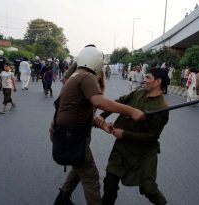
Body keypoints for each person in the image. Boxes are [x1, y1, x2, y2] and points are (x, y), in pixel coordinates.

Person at [51, 45, 144, 205]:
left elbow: (78, 111)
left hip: (67, 132)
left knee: (79, 165)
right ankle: (63, 198)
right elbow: (100, 103)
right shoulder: (87, 77)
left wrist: (102, 125)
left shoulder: (76, 75)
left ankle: (62, 198)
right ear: (96, 63)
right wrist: (132, 111)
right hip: (71, 135)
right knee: (91, 177)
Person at [96, 68, 169, 205]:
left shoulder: (162, 108)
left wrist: (125, 134)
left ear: (158, 81)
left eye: (147, 77)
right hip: (122, 147)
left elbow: (150, 137)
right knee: (109, 183)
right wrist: (102, 115)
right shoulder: (139, 92)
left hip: (144, 152)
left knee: (149, 189)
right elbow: (119, 102)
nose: (144, 79)